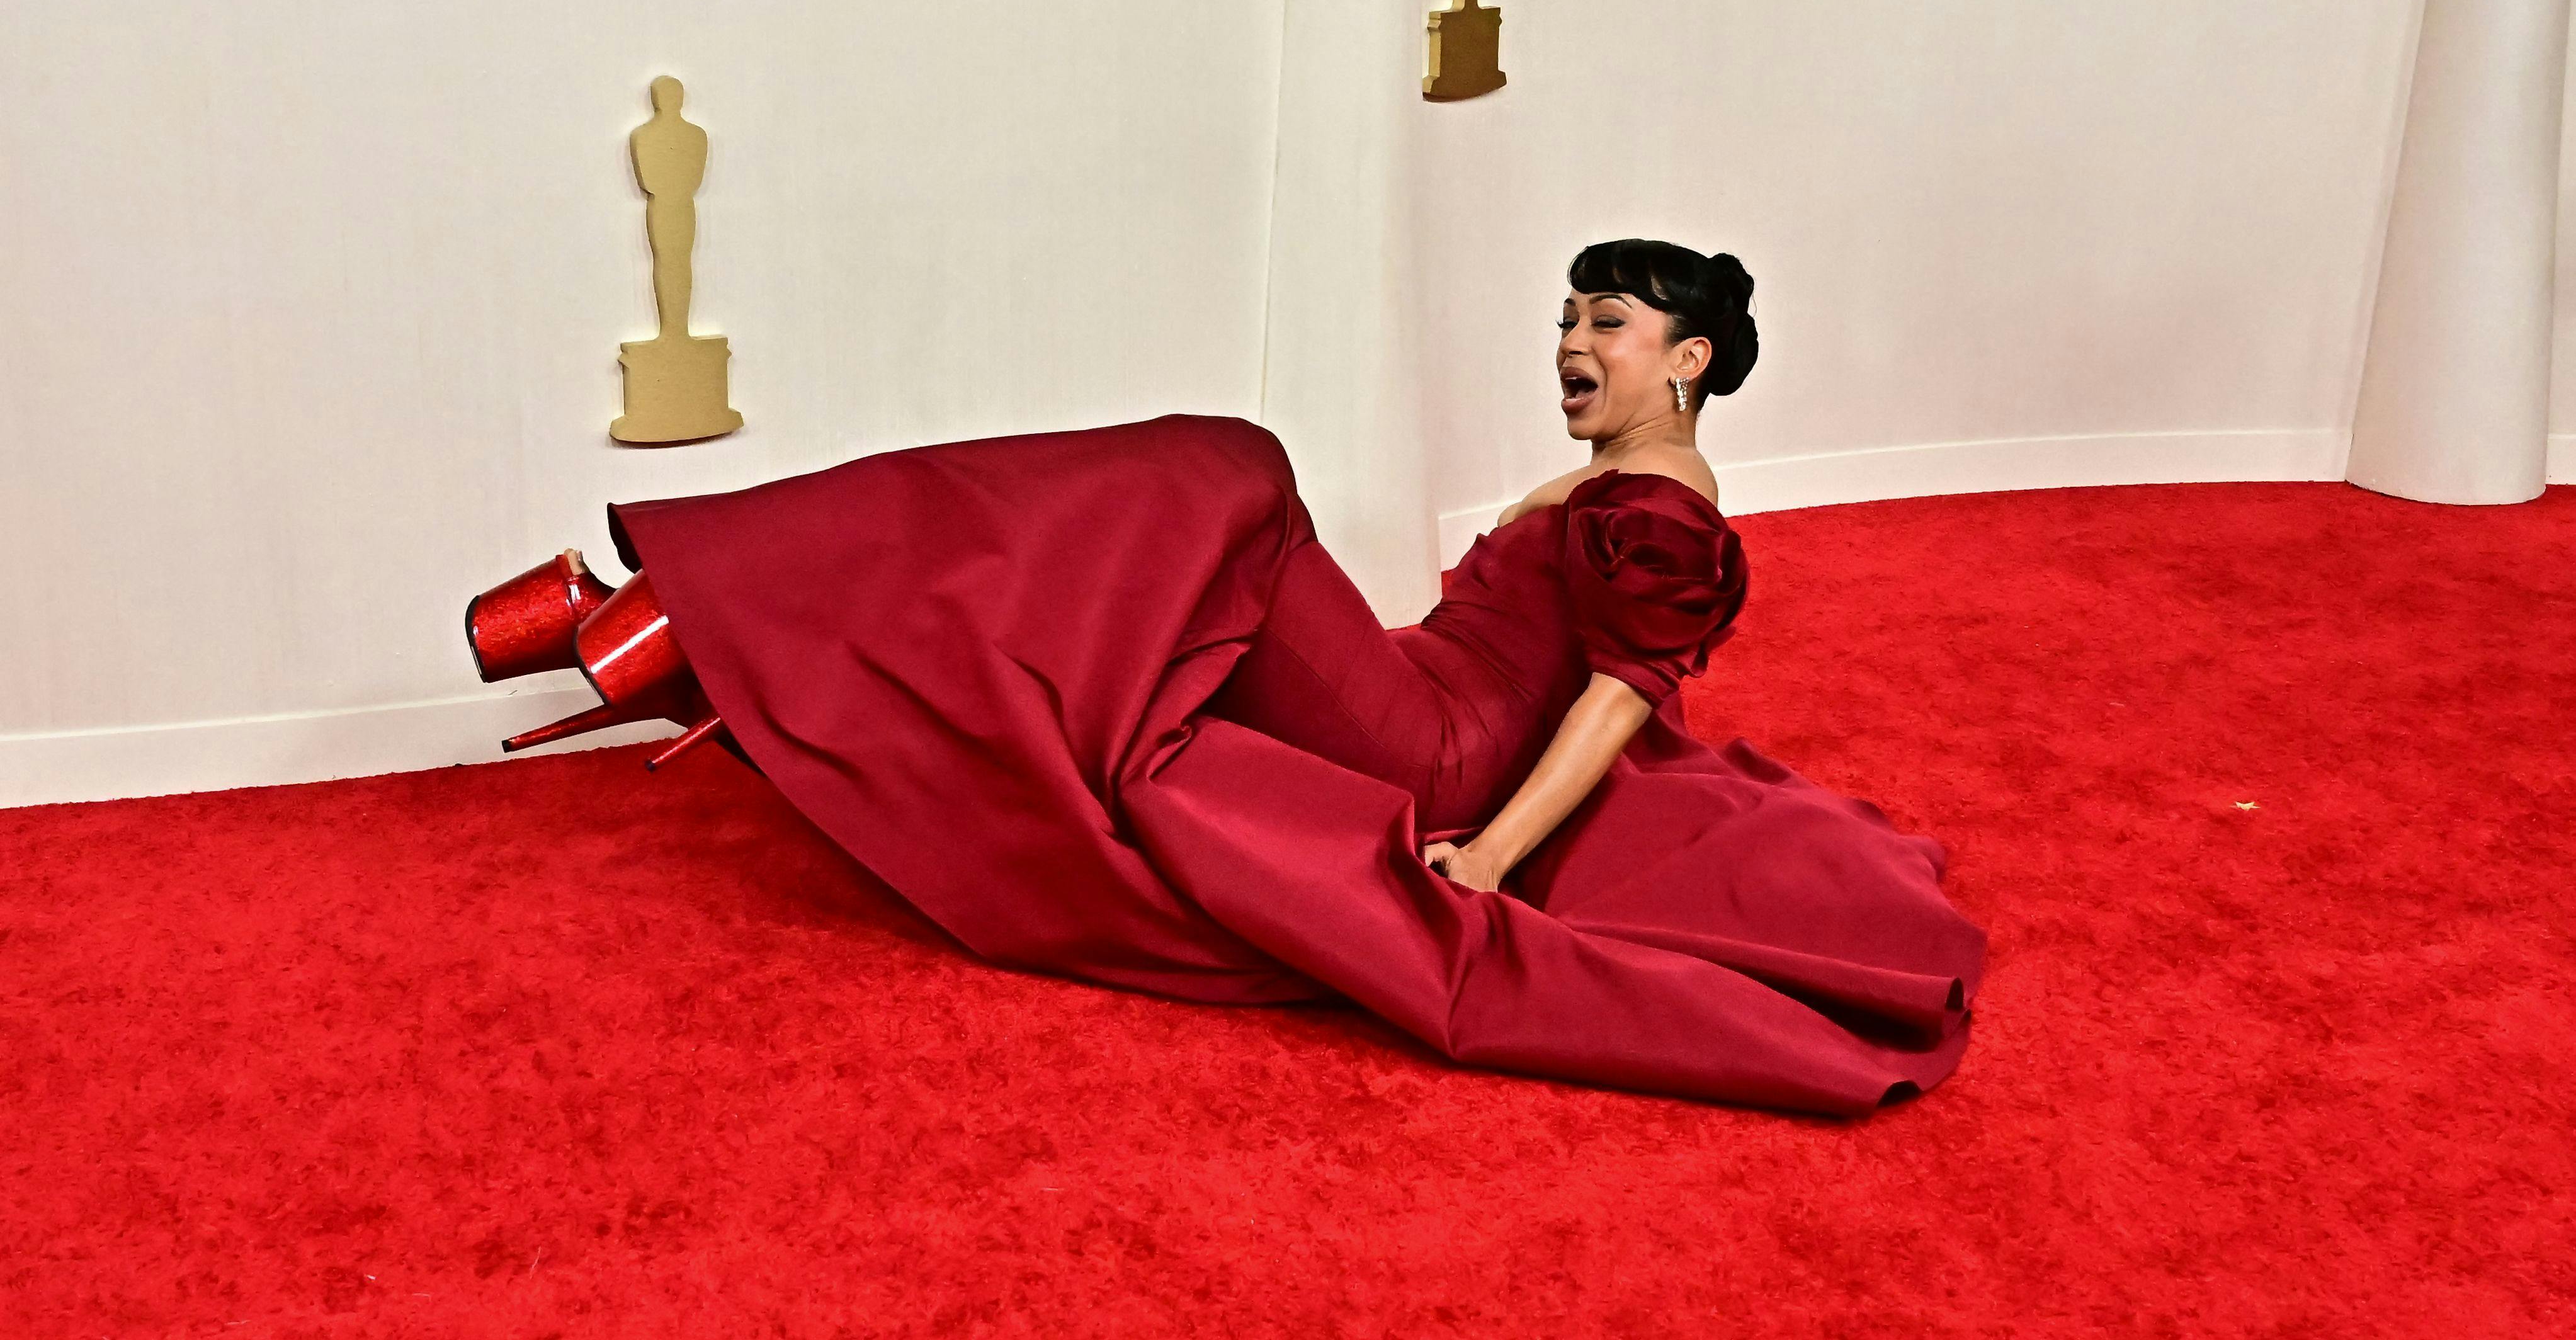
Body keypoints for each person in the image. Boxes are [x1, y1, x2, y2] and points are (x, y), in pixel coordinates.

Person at [467, 240, 1985, 1114]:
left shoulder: (1665, 511)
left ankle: (693, 615)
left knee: (1227, 472)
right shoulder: (1624, 482)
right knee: (1144, 552)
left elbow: (1620, 697)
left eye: (1611, 324)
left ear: (1693, 358)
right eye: (1570, 318)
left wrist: (1494, 855)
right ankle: (705, 624)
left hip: (1436, 750)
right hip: (1410, 683)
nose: (1574, 346)